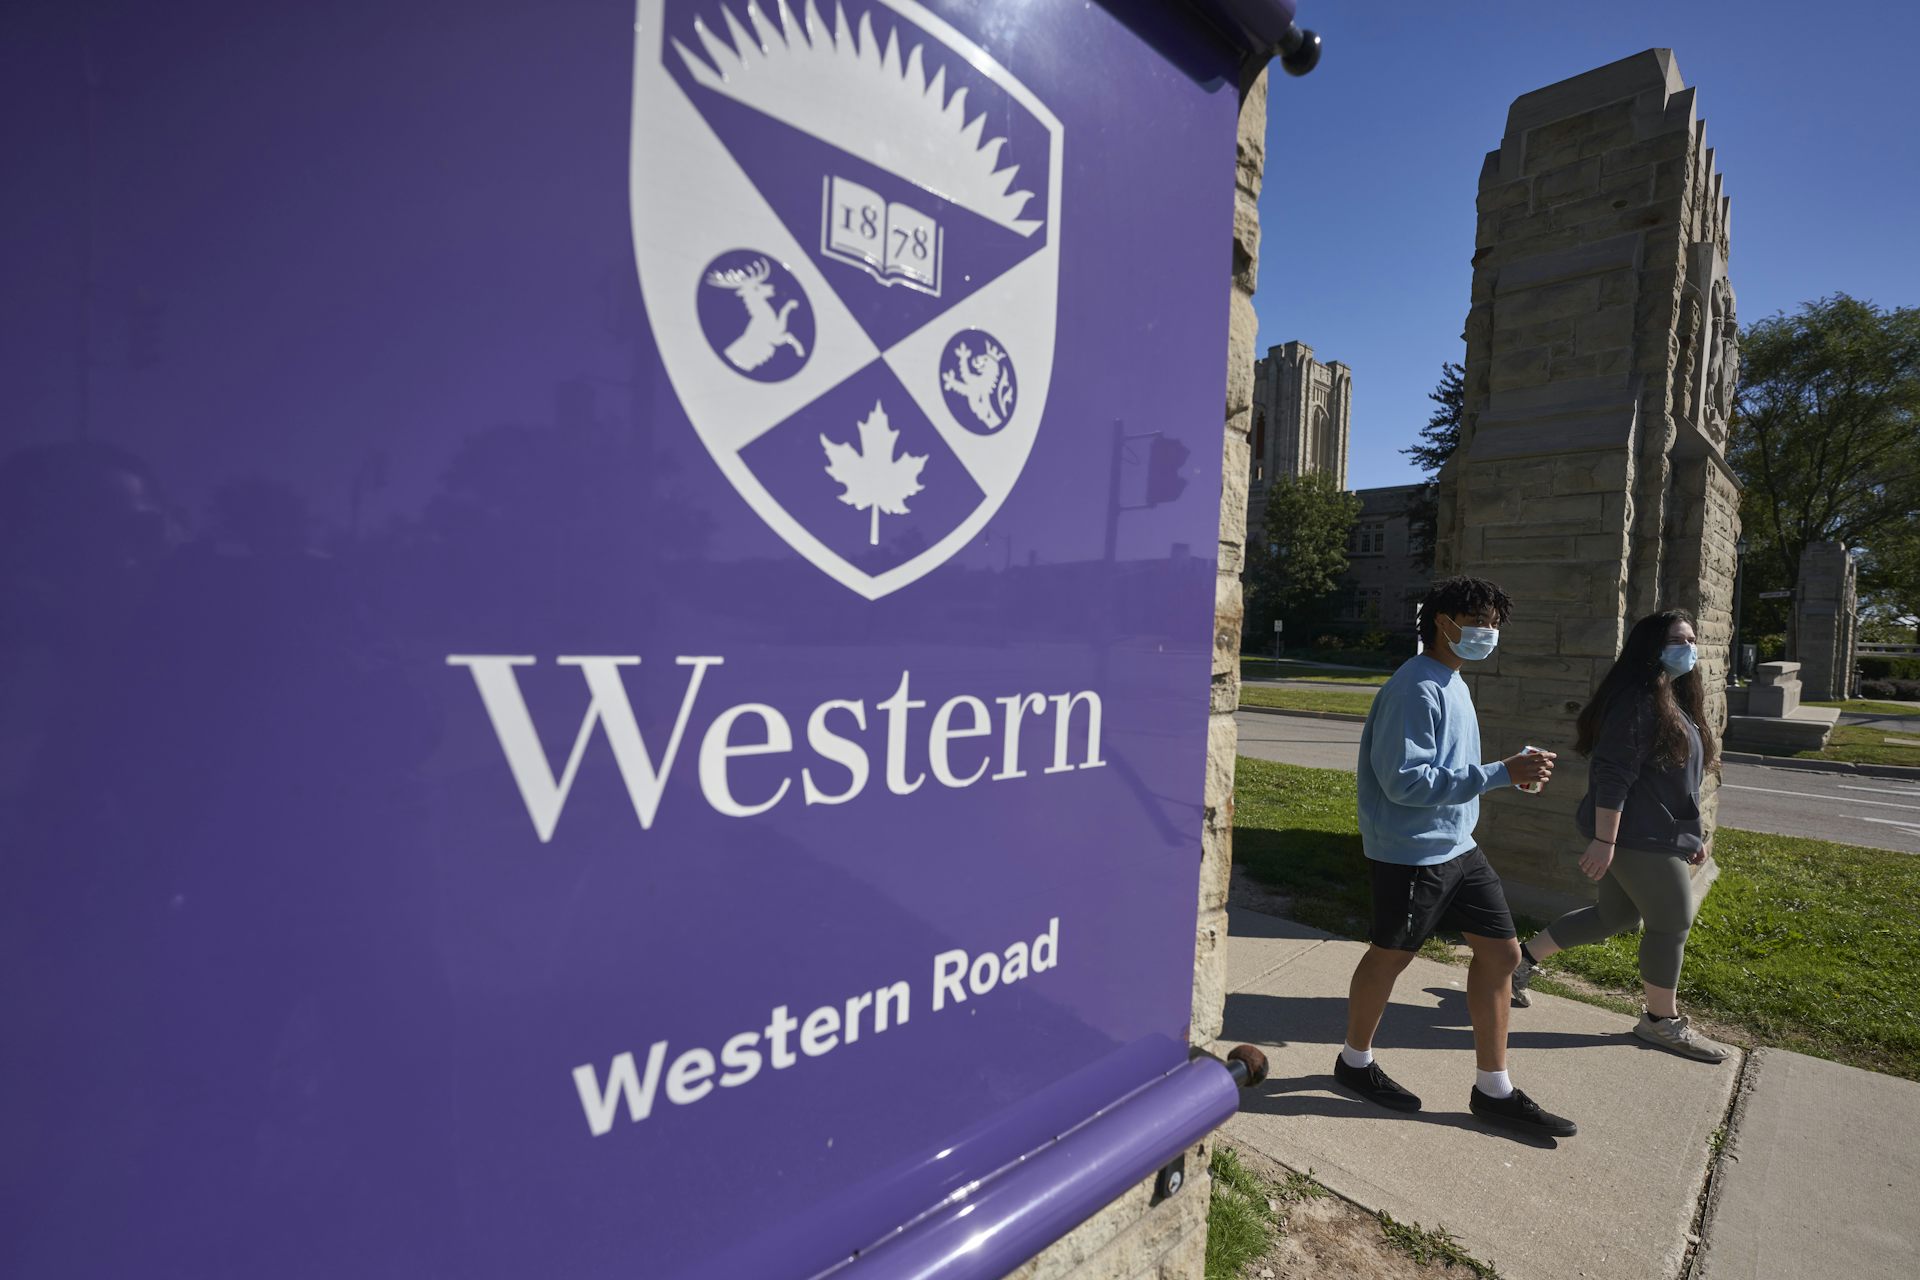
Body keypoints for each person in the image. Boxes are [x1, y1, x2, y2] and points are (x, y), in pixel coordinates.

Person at [1332, 576, 1578, 1138]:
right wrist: (1499, 773)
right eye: (1478, 622)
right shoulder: (1415, 687)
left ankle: (1494, 1090)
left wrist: (1505, 772)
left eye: (1494, 624)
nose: (1488, 632)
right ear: (1442, 623)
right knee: (1389, 957)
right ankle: (1354, 1062)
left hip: (1459, 847)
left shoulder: (1453, 682)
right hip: (1411, 853)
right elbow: (1403, 782)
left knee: (1503, 956)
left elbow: (1449, 768)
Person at [1510, 610, 1730, 1063]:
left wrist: (1695, 835)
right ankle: (1660, 1021)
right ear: (1651, 647)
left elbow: (1679, 782)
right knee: (1671, 922)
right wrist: (1605, 841)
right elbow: (1613, 776)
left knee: (1612, 917)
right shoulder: (1637, 701)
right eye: (1678, 640)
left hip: (1659, 834)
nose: (1689, 648)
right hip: (1635, 837)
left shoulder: (1673, 699)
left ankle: (1518, 964)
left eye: (1692, 640)